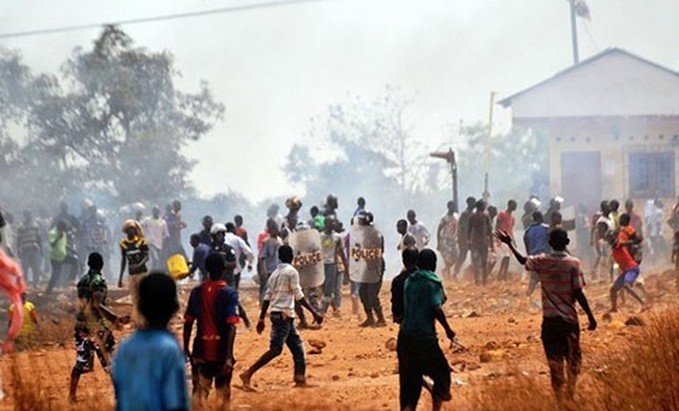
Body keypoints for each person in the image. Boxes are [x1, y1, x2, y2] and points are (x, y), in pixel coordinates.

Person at [497, 228, 597, 401]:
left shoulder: (542, 261)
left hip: (550, 322)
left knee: (555, 363)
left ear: (550, 243)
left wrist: (509, 244)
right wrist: (590, 316)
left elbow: (523, 260)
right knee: (573, 359)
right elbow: (579, 293)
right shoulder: (574, 263)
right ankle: (570, 393)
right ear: (567, 243)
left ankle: (559, 400)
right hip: (569, 321)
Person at [239, 245, 324, 391]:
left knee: (298, 348)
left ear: (279, 257)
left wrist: (261, 319)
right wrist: (314, 313)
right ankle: (248, 374)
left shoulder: (274, 274)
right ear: (292, 257)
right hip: (284, 316)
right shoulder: (292, 272)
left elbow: (267, 297)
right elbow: (299, 295)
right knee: (276, 349)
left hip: (281, 315)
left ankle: (300, 379)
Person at [112, 273, 189, 411]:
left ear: (140, 307)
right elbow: (175, 402)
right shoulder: (169, 349)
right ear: (173, 307)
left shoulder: (125, 348)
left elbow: (120, 396)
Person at [398, 249, 456, 411]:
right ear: (434, 265)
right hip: (424, 338)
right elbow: (437, 306)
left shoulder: (409, 280)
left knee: (410, 385)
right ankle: (438, 401)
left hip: (405, 338)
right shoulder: (432, 282)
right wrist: (448, 330)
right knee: (442, 373)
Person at [184, 254, 239, 406]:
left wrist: (186, 348)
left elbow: (188, 322)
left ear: (206, 269)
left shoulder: (196, 292)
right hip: (221, 353)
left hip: (200, 352)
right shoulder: (229, 293)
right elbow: (231, 326)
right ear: (223, 270)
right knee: (223, 396)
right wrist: (228, 356)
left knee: (199, 395)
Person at [69, 253, 115, 402]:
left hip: (82, 325)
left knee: (82, 363)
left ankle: (72, 395)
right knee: (109, 362)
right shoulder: (99, 281)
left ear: (88, 264)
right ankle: (120, 395)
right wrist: (114, 317)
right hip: (97, 326)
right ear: (101, 264)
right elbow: (97, 304)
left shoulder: (81, 281)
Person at [607, 215, 648, 312]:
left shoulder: (618, 244)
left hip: (632, 268)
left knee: (626, 285)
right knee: (613, 290)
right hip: (626, 270)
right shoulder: (615, 246)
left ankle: (643, 303)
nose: (609, 240)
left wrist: (635, 241)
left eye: (610, 238)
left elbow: (627, 243)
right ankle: (614, 308)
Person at [117, 220, 149, 324]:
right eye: (129, 230)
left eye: (133, 229)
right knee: (134, 298)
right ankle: (138, 320)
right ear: (126, 231)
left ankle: (145, 319)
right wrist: (120, 278)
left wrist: (138, 265)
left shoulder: (141, 241)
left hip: (142, 272)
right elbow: (123, 260)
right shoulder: (123, 243)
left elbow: (146, 256)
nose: (131, 231)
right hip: (131, 274)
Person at [319, 216, 348, 316]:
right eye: (329, 223)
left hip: (332, 264)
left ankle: (322, 311)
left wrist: (346, 267)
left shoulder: (337, 237)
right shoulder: (320, 236)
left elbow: (341, 253)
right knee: (323, 288)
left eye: (332, 223)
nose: (331, 225)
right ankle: (335, 308)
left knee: (328, 289)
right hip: (322, 264)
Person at [523, 211, 551, 296]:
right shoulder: (546, 228)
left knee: (533, 280)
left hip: (533, 257)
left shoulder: (528, 231)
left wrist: (529, 256)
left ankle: (528, 296)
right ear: (541, 218)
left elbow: (526, 245)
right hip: (545, 257)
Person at [390, 248, 419, 324]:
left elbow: (395, 302)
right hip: (424, 321)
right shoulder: (426, 278)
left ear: (403, 261)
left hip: (405, 321)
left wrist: (397, 316)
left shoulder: (398, 280)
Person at [468, 200, 493, 286]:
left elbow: (489, 231)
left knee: (482, 262)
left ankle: (482, 280)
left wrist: (491, 244)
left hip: (481, 242)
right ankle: (479, 280)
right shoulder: (474, 217)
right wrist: (468, 242)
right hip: (477, 242)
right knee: (478, 262)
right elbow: (469, 230)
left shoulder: (484, 217)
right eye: (483, 206)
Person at [16, 210, 43, 286]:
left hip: (34, 249)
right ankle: (25, 284)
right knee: (25, 268)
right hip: (25, 249)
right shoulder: (21, 227)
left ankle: (36, 284)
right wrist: (18, 249)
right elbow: (19, 239)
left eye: (29, 215)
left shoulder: (35, 225)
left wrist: (41, 248)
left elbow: (38, 238)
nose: (28, 217)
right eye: (27, 215)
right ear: (24, 216)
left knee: (36, 268)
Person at [225, 222, 255, 290]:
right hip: (235, 270)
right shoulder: (237, 239)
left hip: (222, 271)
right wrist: (250, 263)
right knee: (234, 290)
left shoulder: (221, 239)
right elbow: (249, 252)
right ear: (233, 229)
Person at [258, 219, 282, 304]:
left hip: (278, 268)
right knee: (267, 288)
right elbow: (262, 257)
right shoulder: (267, 241)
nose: (274, 230)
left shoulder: (279, 241)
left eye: (275, 228)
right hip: (269, 269)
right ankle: (263, 304)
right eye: (272, 229)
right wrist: (263, 269)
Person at [453, 197, 476, 277]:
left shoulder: (472, 214)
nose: (474, 204)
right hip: (464, 238)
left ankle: (472, 272)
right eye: (473, 202)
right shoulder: (465, 214)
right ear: (469, 203)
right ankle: (455, 272)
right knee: (463, 255)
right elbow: (464, 228)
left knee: (473, 255)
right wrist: (467, 239)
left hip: (470, 238)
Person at [495, 200, 517, 281]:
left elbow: (511, 230)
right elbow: (497, 226)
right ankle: (501, 274)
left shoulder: (513, 218)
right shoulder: (501, 214)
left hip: (508, 239)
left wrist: (514, 241)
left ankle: (503, 274)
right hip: (502, 237)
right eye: (513, 205)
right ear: (509, 205)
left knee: (507, 257)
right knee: (506, 256)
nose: (514, 207)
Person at [436, 201, 458, 279]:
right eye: (452, 206)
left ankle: (445, 270)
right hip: (445, 240)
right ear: (448, 207)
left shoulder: (456, 216)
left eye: (454, 206)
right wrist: (438, 243)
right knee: (447, 258)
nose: (453, 208)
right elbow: (439, 230)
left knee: (456, 257)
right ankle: (448, 274)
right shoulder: (444, 217)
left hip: (453, 240)